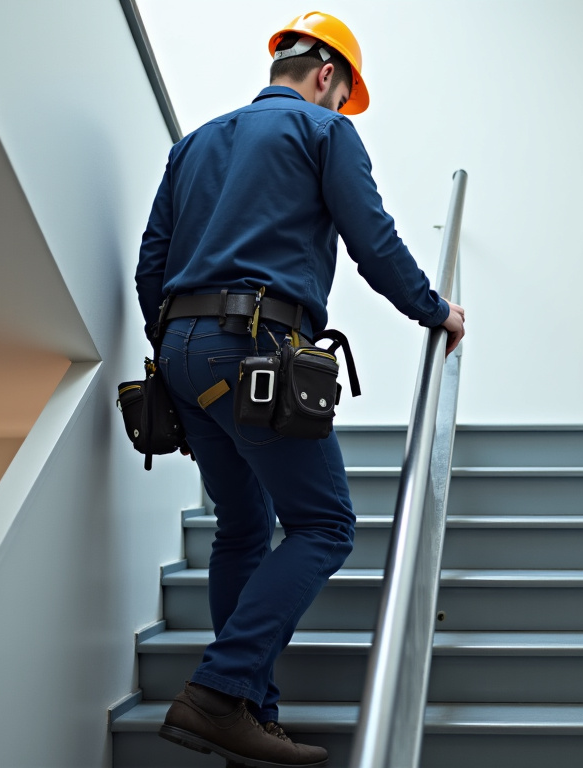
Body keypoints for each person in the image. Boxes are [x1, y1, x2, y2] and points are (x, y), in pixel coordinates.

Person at [134, 11, 465, 768]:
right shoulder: (324, 133)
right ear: (328, 78)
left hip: (183, 354)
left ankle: (252, 711)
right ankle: (219, 691)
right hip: (254, 348)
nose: (343, 108)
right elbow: (371, 240)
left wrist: (183, 354)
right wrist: (436, 310)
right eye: (344, 96)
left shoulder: (192, 145)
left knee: (244, 530)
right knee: (324, 524)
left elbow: (150, 268)